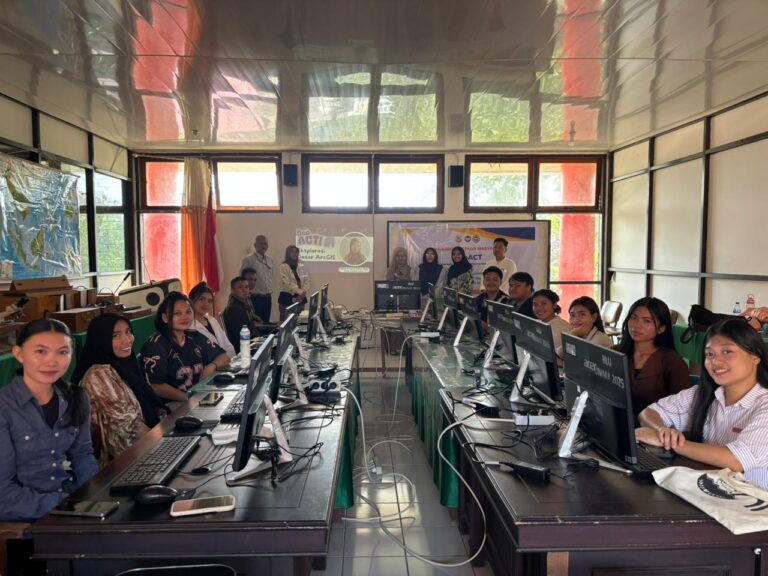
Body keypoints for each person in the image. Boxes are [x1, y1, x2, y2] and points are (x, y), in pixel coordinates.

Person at [636, 319, 768, 490]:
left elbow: (735, 460)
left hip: (755, 500)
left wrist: (670, 442)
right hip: (713, 490)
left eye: (727, 352)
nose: (716, 362)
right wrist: (663, 431)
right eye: (709, 354)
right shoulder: (704, 393)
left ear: (755, 356)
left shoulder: (764, 403)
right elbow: (649, 412)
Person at [0, 319, 98, 521]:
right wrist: (67, 506)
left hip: (72, 504)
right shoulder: (5, 407)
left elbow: (83, 455)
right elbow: (4, 494)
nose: (52, 361)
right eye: (41, 351)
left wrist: (95, 497)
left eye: (62, 352)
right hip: (24, 516)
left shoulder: (76, 397)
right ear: (19, 354)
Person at [72, 313, 168, 465]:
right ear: (101, 340)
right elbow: (131, 427)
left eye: (128, 332)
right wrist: (167, 447)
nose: (126, 339)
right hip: (124, 464)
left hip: (148, 448)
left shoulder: (124, 365)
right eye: (115, 335)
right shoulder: (99, 375)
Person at [141, 292, 229, 402]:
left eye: (188, 312)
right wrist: (189, 399)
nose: (184, 317)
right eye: (177, 313)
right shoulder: (155, 345)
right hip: (174, 404)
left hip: (200, 398)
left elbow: (224, 356)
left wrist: (212, 366)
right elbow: (156, 386)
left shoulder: (194, 336)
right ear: (165, 318)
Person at [614, 297, 691, 416]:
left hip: (653, 425)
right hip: (614, 421)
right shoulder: (615, 352)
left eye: (647, 321)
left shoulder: (672, 361)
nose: (637, 325)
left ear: (661, 328)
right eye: (633, 318)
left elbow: (683, 409)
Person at [189, 281, 235, 358]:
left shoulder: (212, 320)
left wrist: (230, 359)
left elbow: (228, 345)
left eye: (209, 301)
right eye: (201, 299)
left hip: (227, 361)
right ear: (191, 300)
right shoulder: (189, 326)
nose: (206, 304)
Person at [222, 275, 265, 353]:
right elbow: (243, 337)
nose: (245, 290)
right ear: (233, 290)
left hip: (250, 343)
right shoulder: (234, 309)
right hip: (244, 350)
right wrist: (261, 342)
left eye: (246, 287)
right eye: (241, 288)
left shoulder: (242, 304)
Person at [240, 234, 274, 323]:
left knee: (265, 323)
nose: (263, 246)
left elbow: (270, 277)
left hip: (267, 298)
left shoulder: (270, 259)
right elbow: (242, 279)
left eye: (265, 244)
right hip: (255, 298)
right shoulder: (248, 259)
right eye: (261, 243)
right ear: (255, 245)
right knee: (255, 324)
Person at [532, 289, 571, 354]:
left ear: (554, 305)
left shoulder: (559, 328)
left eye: (544, 303)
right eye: (535, 304)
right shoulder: (537, 322)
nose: (538, 308)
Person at [278, 245, 308, 321]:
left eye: (296, 252)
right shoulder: (282, 267)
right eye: (292, 252)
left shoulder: (302, 266)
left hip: (301, 297)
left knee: (299, 321)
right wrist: (300, 292)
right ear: (288, 253)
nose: (294, 254)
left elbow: (307, 281)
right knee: (285, 322)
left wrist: (303, 292)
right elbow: (286, 283)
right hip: (287, 297)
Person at [475, 266, 509, 333]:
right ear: (484, 282)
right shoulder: (480, 298)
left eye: (495, 280)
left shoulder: (507, 302)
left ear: (500, 282)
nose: (491, 282)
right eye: (488, 279)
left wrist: (489, 327)